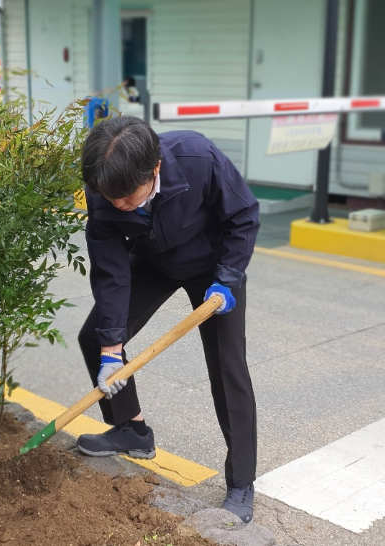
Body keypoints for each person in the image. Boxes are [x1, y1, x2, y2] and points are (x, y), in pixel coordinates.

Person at [75, 116, 260, 522]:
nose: (118, 204)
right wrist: (112, 346)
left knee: (228, 368)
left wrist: (228, 279)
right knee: (95, 336)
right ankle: (132, 430)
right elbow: (110, 269)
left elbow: (243, 215)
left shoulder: (197, 158)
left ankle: (241, 483)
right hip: (153, 261)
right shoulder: (103, 189)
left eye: (127, 197)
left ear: (155, 168)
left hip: (214, 269)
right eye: (111, 197)